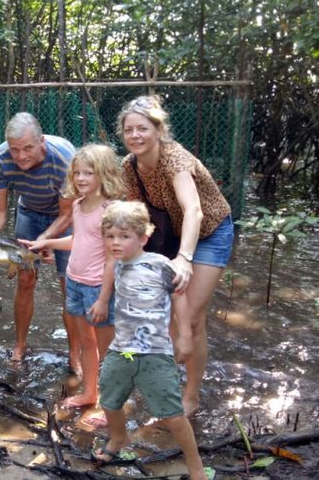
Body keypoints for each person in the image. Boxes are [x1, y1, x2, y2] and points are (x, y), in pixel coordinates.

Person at [118, 95, 234, 416]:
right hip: (168, 234)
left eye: (143, 128)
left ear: (158, 130)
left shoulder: (174, 158)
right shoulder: (129, 166)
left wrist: (184, 258)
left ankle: (191, 395)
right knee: (164, 317)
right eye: (129, 130)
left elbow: (193, 210)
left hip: (209, 232)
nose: (135, 136)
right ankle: (165, 383)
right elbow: (137, 214)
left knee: (193, 317)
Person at [94, 201, 206, 480]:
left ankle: (196, 466)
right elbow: (109, 269)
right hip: (123, 351)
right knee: (109, 401)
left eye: (124, 236)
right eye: (109, 237)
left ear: (143, 237)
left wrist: (185, 337)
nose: (115, 243)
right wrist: (102, 301)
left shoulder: (160, 265)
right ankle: (119, 439)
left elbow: (178, 298)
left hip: (155, 353)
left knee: (172, 414)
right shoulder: (117, 262)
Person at [21, 144, 124, 407]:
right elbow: (79, 240)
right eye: (77, 173)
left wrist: (103, 298)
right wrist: (47, 244)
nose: (80, 178)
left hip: (98, 288)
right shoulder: (77, 206)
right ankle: (90, 393)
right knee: (87, 343)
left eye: (88, 173)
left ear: (104, 174)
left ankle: (112, 402)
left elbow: (114, 257)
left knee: (108, 350)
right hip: (75, 283)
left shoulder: (111, 210)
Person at [0, 112, 76, 367]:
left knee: (70, 287)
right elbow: (0, 211)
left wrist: (45, 240)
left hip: (65, 216)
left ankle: (75, 354)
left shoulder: (63, 159)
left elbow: (67, 213)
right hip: (29, 210)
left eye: (27, 148)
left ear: (42, 142)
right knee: (26, 278)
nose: (21, 156)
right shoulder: (1, 158)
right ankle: (20, 345)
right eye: (15, 149)